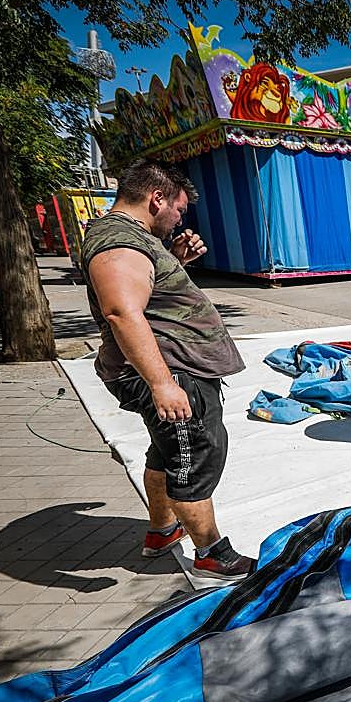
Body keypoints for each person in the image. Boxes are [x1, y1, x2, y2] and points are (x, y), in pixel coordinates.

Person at [78, 160, 254, 580]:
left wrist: (175, 260)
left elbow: (145, 295)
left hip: (173, 368)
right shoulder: (118, 241)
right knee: (195, 454)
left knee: (168, 450)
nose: (179, 219)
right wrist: (162, 383)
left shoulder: (132, 239)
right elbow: (121, 311)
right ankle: (212, 554)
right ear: (156, 198)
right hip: (172, 373)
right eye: (178, 209)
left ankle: (162, 530)